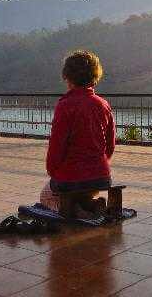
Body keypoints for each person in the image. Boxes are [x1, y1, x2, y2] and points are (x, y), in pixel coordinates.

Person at [42, 50, 115, 218]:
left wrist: (53, 171)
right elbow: (110, 146)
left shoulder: (65, 105)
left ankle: (73, 211)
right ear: (95, 76)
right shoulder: (103, 105)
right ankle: (93, 205)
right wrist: (98, 164)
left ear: (67, 77)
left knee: (46, 196)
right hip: (101, 176)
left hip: (71, 177)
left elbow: (57, 146)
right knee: (84, 191)